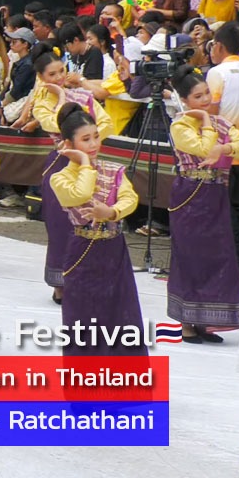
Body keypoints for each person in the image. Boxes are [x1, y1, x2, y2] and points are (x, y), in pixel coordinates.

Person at [50, 104, 145, 356]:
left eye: (95, 136)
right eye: (85, 140)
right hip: (84, 250)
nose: (93, 144)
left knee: (120, 312)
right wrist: (84, 163)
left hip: (114, 249)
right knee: (84, 316)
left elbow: (130, 199)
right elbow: (80, 193)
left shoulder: (114, 170)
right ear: (69, 143)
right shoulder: (59, 177)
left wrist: (111, 213)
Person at [168, 66, 239, 342]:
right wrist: (205, 121)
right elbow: (204, 150)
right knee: (190, 254)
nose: (205, 100)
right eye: (198, 97)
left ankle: (207, 320)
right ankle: (188, 322)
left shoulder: (223, 123)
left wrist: (225, 148)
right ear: (186, 100)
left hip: (215, 194)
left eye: (207, 95)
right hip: (191, 193)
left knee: (217, 255)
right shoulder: (180, 125)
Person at [30, 51, 113, 303]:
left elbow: (106, 122)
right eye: (51, 75)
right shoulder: (42, 100)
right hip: (62, 163)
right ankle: (60, 284)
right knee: (60, 226)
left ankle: (86, 280)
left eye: (61, 72)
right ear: (41, 78)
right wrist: (65, 98)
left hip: (89, 163)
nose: (58, 78)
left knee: (89, 225)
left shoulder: (85, 96)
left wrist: (91, 138)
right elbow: (54, 124)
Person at [208, 24, 239, 284]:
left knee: (227, 211)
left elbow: (212, 113)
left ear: (219, 46)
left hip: (224, 153)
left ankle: (238, 267)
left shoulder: (217, 73)